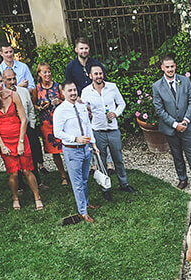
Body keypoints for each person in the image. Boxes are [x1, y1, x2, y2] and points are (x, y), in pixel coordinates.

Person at [0, 68, 43, 212]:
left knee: (27, 170)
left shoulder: (14, 95)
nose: (0, 85)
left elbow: (24, 119)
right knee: (12, 173)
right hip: (4, 140)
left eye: (1, 81)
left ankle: (37, 196)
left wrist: (21, 142)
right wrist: (1, 144)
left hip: (19, 136)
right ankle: (15, 198)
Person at [82, 64, 135, 198]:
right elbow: (83, 109)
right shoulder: (86, 91)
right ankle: (106, 188)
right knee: (101, 160)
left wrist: (116, 113)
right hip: (97, 130)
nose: (99, 76)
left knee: (118, 158)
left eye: (100, 73)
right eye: (96, 74)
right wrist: (87, 113)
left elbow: (122, 103)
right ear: (90, 76)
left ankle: (124, 184)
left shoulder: (112, 87)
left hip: (113, 130)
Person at [52, 81, 97, 221]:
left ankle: (86, 203)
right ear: (63, 93)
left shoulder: (82, 107)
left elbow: (88, 126)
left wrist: (93, 143)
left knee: (84, 179)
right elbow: (57, 132)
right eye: (69, 91)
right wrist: (75, 138)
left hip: (85, 149)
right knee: (77, 182)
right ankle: (82, 211)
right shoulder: (60, 110)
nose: (73, 93)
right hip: (72, 150)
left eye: (74, 90)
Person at [152, 55, 191, 189]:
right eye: (167, 67)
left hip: (187, 126)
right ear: (162, 68)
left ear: (175, 66)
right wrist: (175, 124)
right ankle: (182, 178)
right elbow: (159, 109)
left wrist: (185, 120)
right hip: (170, 128)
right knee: (177, 154)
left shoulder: (185, 80)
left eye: (172, 66)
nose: (170, 69)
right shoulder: (157, 86)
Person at [5, 67, 45, 177]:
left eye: (14, 78)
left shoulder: (23, 91)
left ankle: (37, 181)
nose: (13, 81)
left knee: (33, 155)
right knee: (15, 158)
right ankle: (20, 186)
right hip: (12, 131)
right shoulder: (2, 96)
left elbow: (31, 109)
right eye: (9, 79)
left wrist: (31, 125)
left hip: (27, 128)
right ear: (3, 80)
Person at [33, 64, 69, 186]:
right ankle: (63, 175)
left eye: (49, 72)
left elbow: (67, 101)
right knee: (55, 151)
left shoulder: (57, 86)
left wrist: (60, 101)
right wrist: (40, 107)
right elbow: (33, 105)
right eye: (44, 72)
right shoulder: (36, 89)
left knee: (67, 147)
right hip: (46, 123)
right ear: (39, 74)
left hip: (60, 121)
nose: (47, 74)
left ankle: (73, 171)